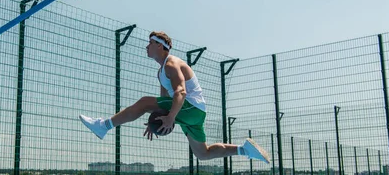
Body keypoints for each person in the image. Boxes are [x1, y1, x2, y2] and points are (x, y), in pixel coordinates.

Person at [78, 31, 270, 163]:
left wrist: (170, 118)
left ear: (161, 46)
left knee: (144, 101)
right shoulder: (161, 71)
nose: (146, 46)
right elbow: (163, 101)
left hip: (190, 106)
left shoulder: (171, 64)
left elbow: (180, 92)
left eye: (150, 43)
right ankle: (244, 150)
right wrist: (157, 122)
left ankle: (103, 126)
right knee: (203, 154)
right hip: (193, 112)